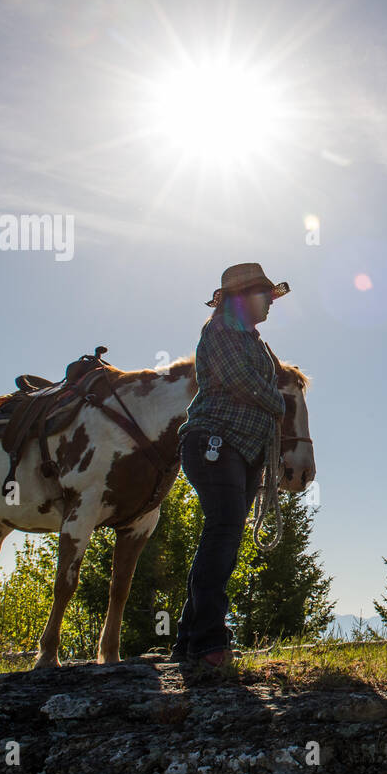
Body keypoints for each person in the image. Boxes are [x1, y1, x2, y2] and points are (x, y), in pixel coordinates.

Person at [172, 263, 289, 674]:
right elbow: (240, 380)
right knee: (223, 531)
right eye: (265, 296)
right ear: (244, 297)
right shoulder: (221, 330)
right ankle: (208, 640)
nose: (271, 303)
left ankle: (189, 638)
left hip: (238, 448)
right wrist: (280, 405)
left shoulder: (252, 339)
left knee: (221, 534)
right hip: (216, 442)